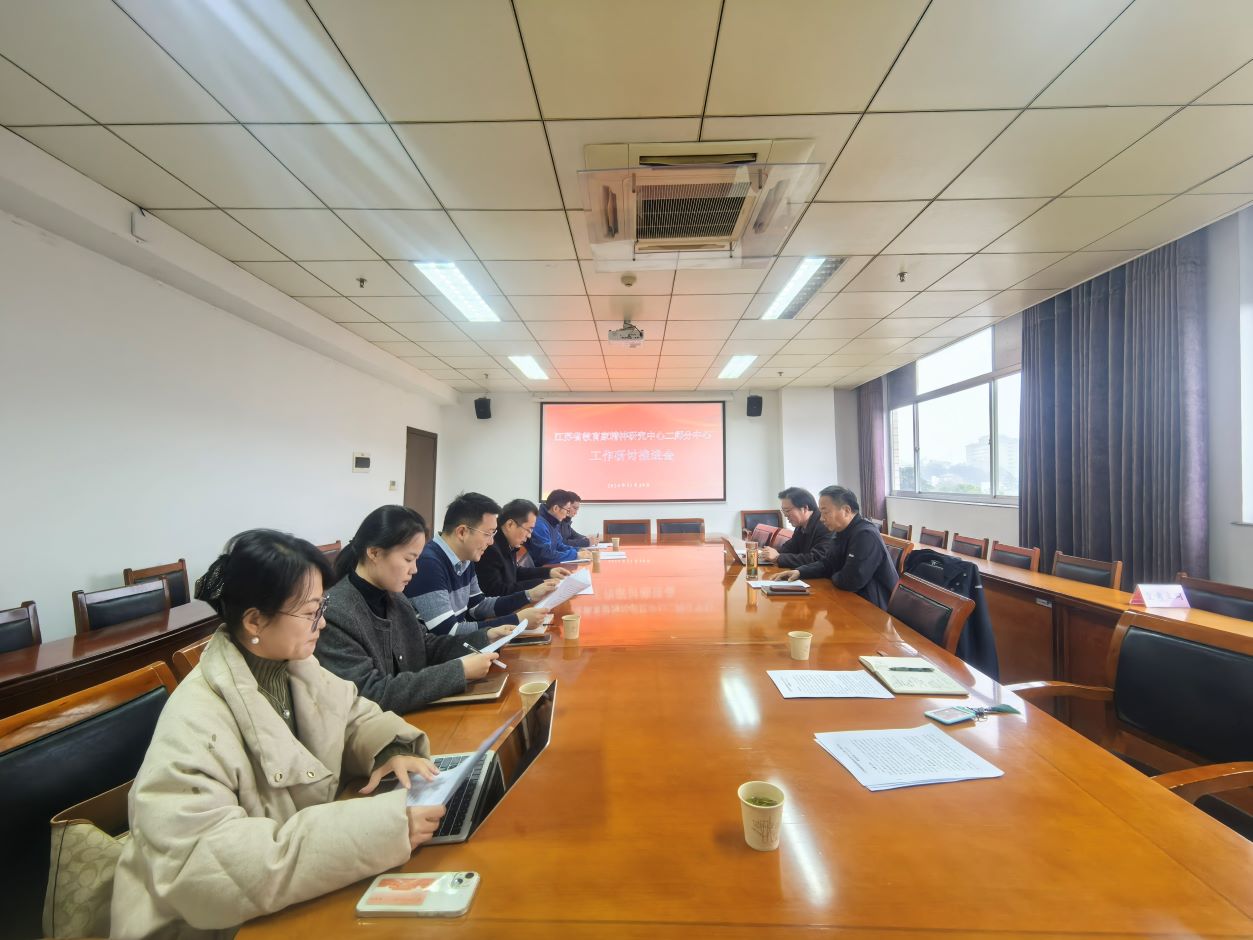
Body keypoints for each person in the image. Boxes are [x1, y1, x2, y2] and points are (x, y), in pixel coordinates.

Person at [111, 529, 446, 939]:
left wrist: (389, 748)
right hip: (209, 925)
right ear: (255, 620)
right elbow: (206, 865)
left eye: (322, 606)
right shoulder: (195, 720)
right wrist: (379, 830)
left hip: (279, 897)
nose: (323, 623)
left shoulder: (293, 664)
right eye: (310, 612)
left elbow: (350, 714)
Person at [318, 505, 525, 713]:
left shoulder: (395, 598)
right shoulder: (335, 614)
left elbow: (424, 645)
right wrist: (460, 671)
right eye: (408, 559)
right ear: (374, 552)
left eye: (416, 559)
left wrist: (485, 638)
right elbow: (371, 693)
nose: (415, 569)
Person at [405, 492, 549, 636]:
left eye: (493, 534)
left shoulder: (465, 557)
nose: (491, 542)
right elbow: (448, 632)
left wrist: (528, 595)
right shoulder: (429, 564)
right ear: (462, 532)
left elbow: (478, 606)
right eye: (488, 534)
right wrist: (516, 620)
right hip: (442, 648)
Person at [771, 485, 898, 610]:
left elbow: (850, 581)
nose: (821, 519)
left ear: (846, 510)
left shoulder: (865, 534)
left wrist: (832, 573)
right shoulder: (841, 531)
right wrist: (800, 572)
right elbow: (827, 563)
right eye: (821, 513)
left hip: (872, 608)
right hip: (848, 600)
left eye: (825, 512)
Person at [478, 498, 573, 596]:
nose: (529, 536)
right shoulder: (490, 549)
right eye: (528, 529)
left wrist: (549, 572)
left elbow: (515, 572)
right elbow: (496, 591)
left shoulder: (507, 542)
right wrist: (539, 584)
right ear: (510, 525)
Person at [759, 486, 835, 569]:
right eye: (783, 511)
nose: (785, 515)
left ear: (805, 508)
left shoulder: (825, 525)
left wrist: (778, 557)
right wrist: (769, 553)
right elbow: (790, 548)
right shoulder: (801, 525)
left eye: (787, 510)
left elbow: (817, 558)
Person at [526, 489, 591, 566]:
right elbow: (546, 556)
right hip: (541, 569)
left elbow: (559, 545)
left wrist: (578, 550)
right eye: (567, 510)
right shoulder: (539, 524)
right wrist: (576, 555)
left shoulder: (553, 522)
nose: (567, 514)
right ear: (556, 508)